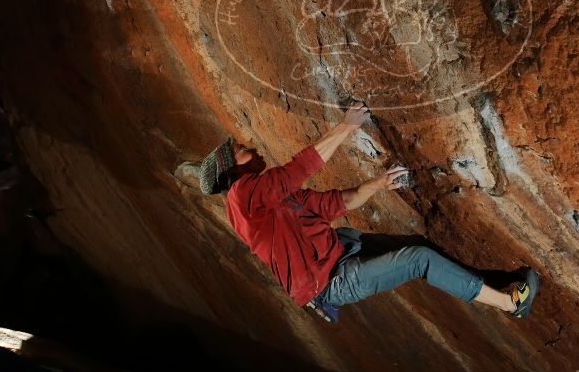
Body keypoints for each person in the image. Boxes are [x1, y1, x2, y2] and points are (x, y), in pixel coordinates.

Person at [199, 102, 539, 323]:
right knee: (419, 258)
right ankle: (511, 304)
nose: (252, 147)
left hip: (340, 249)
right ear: (230, 170)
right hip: (331, 282)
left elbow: (333, 204)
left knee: (419, 246)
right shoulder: (241, 196)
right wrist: (346, 128)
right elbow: (295, 170)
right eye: (241, 150)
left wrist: (376, 184)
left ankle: (485, 287)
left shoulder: (265, 201)